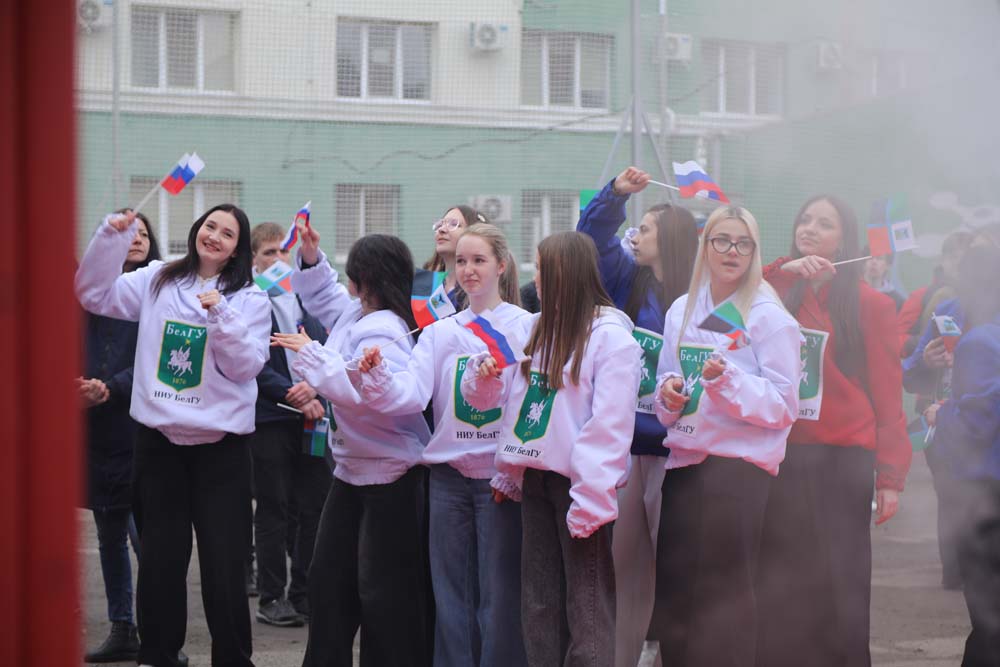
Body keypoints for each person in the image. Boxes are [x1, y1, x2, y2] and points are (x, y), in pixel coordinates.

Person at [75, 204, 271, 667]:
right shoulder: (157, 278)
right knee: (160, 562)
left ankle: (233, 659)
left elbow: (246, 366)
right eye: (210, 226)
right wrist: (111, 238)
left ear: (237, 249)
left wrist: (220, 313)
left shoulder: (250, 298)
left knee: (224, 566)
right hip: (159, 444)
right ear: (196, 229)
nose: (215, 236)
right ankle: (157, 655)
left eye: (228, 234)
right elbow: (93, 293)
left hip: (221, 451)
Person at [461, 231, 641, 665]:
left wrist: (590, 499)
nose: (535, 278)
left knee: (587, 606)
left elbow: (610, 426)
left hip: (580, 487)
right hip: (537, 481)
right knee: (539, 602)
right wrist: (483, 376)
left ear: (567, 273)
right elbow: (505, 402)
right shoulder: (534, 328)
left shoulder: (611, 338)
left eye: (543, 269)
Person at [354, 223, 529, 667]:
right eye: (462, 261)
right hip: (447, 479)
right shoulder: (439, 332)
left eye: (479, 260)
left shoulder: (528, 327)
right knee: (450, 598)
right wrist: (377, 375)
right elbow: (411, 395)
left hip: (500, 481)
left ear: (501, 266)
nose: (468, 270)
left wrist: (515, 470)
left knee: (498, 598)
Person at [756, 195, 911, 667]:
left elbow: (888, 394)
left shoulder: (871, 304)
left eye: (825, 224)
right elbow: (733, 297)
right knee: (782, 579)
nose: (810, 229)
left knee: (841, 581)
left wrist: (890, 477)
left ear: (844, 240)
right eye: (805, 220)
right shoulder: (777, 294)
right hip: (783, 456)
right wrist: (786, 271)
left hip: (844, 461)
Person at [647, 206, 800, 667]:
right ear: (705, 245)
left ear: (754, 252)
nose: (732, 251)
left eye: (743, 243)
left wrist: (728, 381)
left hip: (738, 475)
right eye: (722, 240)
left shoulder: (769, 316)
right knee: (677, 597)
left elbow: (783, 405)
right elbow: (667, 383)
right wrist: (669, 394)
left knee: (726, 603)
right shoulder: (682, 309)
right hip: (684, 468)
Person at [271, 229, 432, 666]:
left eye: (351, 271)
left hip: (391, 476)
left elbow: (365, 394)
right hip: (351, 472)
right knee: (328, 582)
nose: (345, 279)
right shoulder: (357, 313)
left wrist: (312, 357)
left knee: (383, 595)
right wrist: (309, 257)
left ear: (366, 278)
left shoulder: (386, 330)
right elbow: (324, 296)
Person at [577, 166, 698, 667]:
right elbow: (590, 242)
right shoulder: (630, 280)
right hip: (629, 452)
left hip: (678, 456)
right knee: (623, 571)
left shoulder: (700, 297)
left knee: (678, 571)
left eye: (645, 228)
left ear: (668, 238)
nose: (636, 234)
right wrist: (614, 195)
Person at [80, 211, 160, 664]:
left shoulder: (159, 291)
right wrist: (80, 386)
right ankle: (122, 626)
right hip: (98, 428)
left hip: (142, 425)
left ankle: (157, 629)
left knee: (149, 537)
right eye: (128, 233)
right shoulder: (92, 295)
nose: (136, 239)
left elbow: (161, 357)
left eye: (143, 233)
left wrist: (112, 386)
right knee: (109, 532)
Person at [903, 223, 1000, 590]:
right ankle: (956, 577)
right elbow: (910, 374)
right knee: (952, 503)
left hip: (986, 434)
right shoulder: (948, 310)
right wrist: (926, 362)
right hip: (945, 429)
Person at [248, 222, 331, 627]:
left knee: (314, 506)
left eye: (284, 252)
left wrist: (317, 391)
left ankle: (305, 591)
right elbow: (250, 363)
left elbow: (330, 350)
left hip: (313, 419)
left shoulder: (308, 301)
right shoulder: (250, 302)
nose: (279, 260)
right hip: (271, 419)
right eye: (269, 253)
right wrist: (292, 394)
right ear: (253, 261)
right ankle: (271, 597)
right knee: (274, 508)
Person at [928, 234, 1000, 666]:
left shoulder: (980, 341)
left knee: (990, 619)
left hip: (984, 496)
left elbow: (976, 424)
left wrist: (942, 414)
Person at [897, 230, 972, 356]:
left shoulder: (983, 301)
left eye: (964, 259)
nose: (957, 264)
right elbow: (896, 340)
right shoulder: (921, 295)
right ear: (942, 260)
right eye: (953, 257)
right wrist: (924, 343)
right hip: (924, 364)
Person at [424, 205, 488, 308]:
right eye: (440, 224)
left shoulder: (482, 291)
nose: (441, 230)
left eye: (453, 224)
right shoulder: (427, 286)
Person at [861, 246, 905, 310]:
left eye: (879, 258)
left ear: (888, 265)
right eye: (870, 257)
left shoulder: (897, 301)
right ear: (863, 263)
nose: (874, 262)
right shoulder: (853, 292)